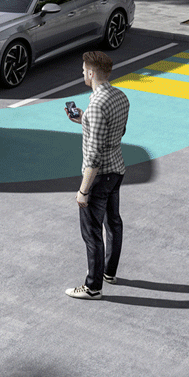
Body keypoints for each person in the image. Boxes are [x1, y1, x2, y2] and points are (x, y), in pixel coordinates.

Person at [64, 51, 130, 300]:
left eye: (83, 70)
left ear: (91, 73)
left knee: (91, 233)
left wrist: (83, 191)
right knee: (113, 222)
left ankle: (92, 287)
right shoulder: (120, 97)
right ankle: (109, 272)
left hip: (99, 177)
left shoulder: (96, 107)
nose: (82, 73)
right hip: (118, 169)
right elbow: (118, 131)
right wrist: (83, 120)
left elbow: (93, 156)